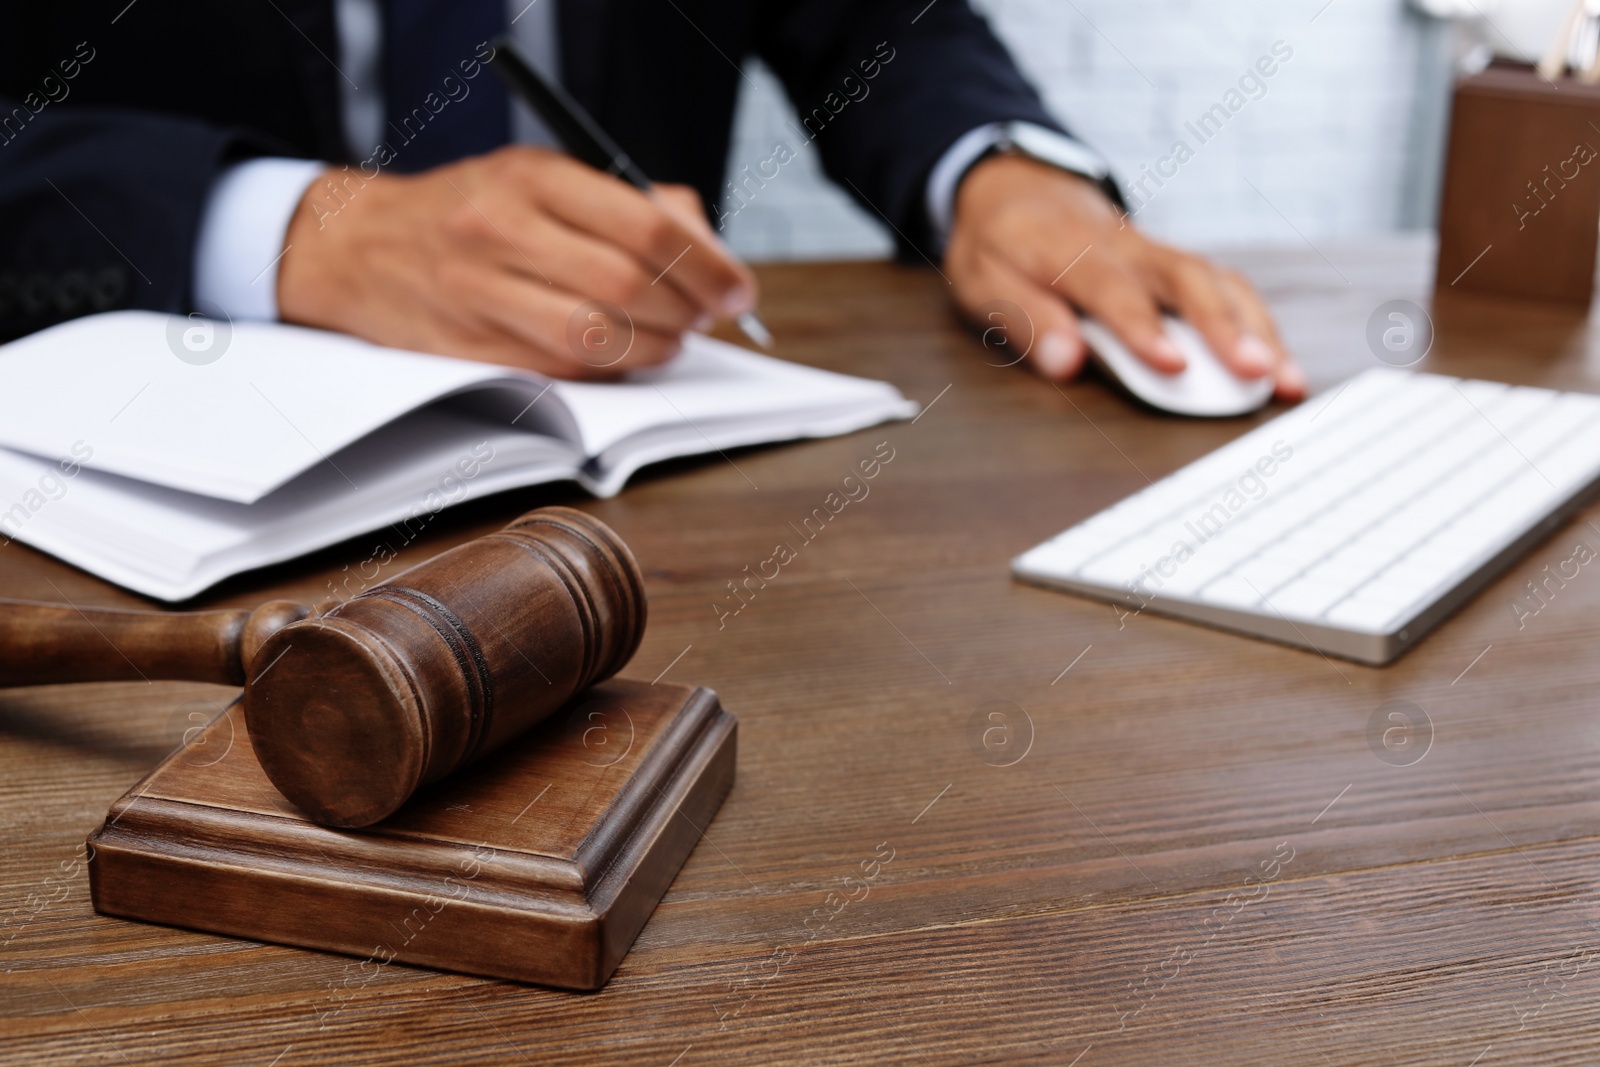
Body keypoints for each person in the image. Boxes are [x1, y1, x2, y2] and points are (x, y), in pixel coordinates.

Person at [0, 0, 1302, 397]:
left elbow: (879, 29)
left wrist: (999, 170)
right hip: (161, 481)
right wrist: (281, 229)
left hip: (645, 445)